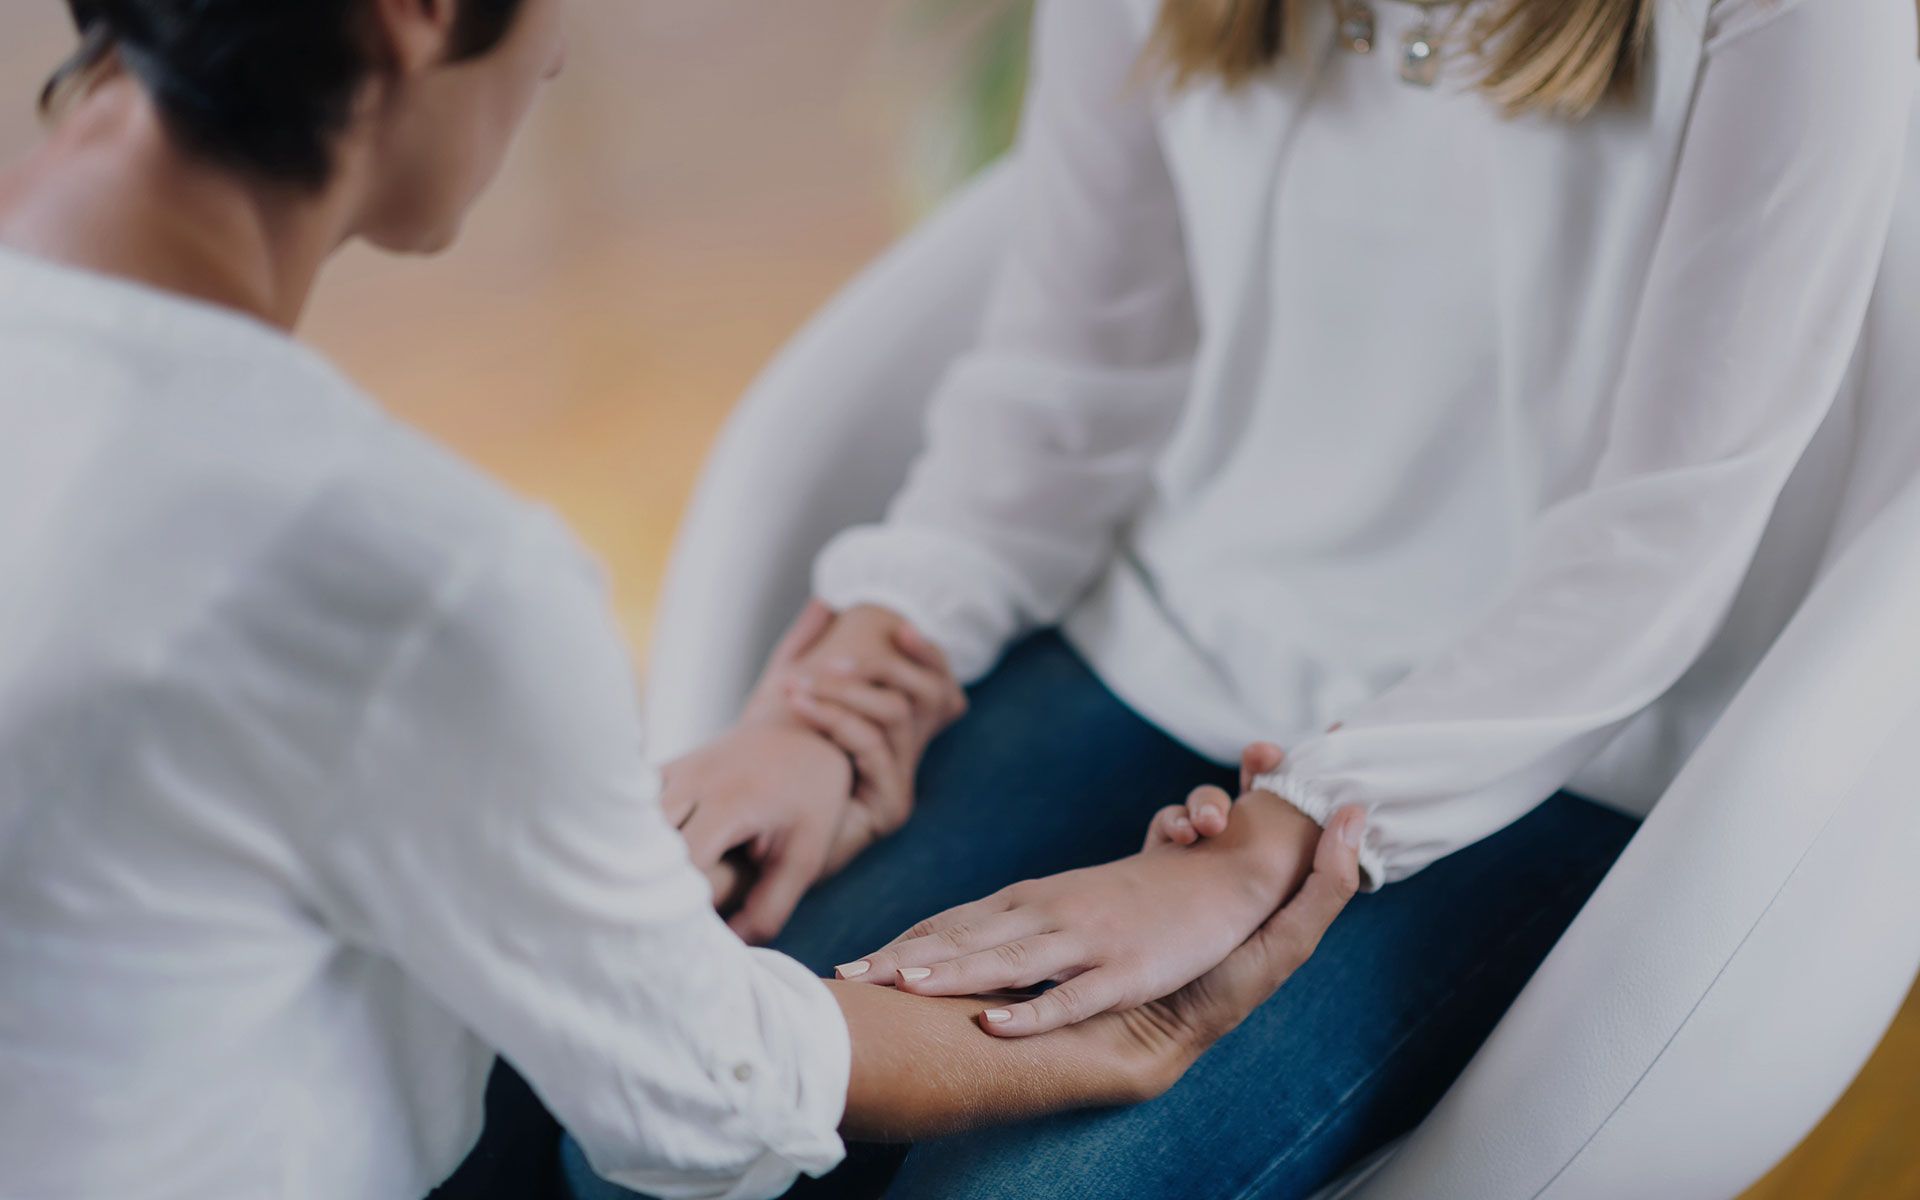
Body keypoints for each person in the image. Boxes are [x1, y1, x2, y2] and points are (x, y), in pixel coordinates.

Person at [0, 3, 1367, 1198]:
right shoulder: (414, 574)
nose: (556, 54)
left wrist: (581, 857)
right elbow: (700, 1097)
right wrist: (1134, 1033)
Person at [559, 0, 1916, 1195]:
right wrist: (847, 697)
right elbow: (1072, 375)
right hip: (1162, 639)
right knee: (645, 1125)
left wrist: (1267, 850)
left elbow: (1663, 532)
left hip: (1533, 756)